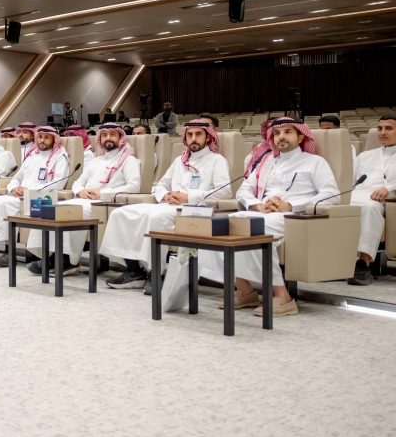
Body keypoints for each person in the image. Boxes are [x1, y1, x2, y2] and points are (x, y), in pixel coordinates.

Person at [206, 118, 339, 317]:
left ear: (301, 137)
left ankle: (283, 297)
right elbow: (244, 191)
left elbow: (331, 195)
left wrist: (292, 205)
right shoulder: (266, 163)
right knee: (217, 227)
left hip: (294, 216)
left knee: (252, 229)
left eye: (287, 132)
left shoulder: (315, 162)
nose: (281, 137)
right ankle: (245, 291)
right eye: (277, 133)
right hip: (263, 213)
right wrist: (257, 205)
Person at [100, 120, 231, 289]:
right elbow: (161, 184)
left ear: (207, 138)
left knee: (156, 218)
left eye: (198, 134)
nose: (193, 139)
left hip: (195, 209)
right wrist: (165, 195)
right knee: (121, 213)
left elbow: (225, 191)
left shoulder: (216, 160)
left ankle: (156, 273)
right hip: (169, 205)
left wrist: (189, 197)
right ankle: (134, 271)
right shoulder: (179, 161)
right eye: (190, 135)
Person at [0, 126, 71, 267]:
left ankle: (10, 254)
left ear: (54, 140)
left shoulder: (60, 156)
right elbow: (16, 177)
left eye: (46, 137)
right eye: (40, 137)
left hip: (39, 197)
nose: (42, 140)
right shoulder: (32, 156)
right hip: (19, 195)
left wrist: (29, 190)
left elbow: (58, 183)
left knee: (3, 205)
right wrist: (13, 188)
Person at [50, 123, 141, 273]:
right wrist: (80, 191)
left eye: (112, 134)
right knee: (57, 208)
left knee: (70, 211)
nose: (108, 138)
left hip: (106, 203)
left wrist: (103, 194)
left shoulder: (128, 159)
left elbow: (134, 186)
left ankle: (68, 262)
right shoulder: (96, 161)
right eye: (104, 135)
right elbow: (78, 182)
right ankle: (55, 257)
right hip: (85, 200)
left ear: (120, 138)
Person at [347, 115, 396, 285]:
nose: (382, 132)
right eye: (380, 128)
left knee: (371, 208)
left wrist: (388, 188)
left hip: (384, 199)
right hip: (357, 195)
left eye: (388, 128)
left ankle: (363, 263)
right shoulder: (365, 156)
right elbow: (350, 181)